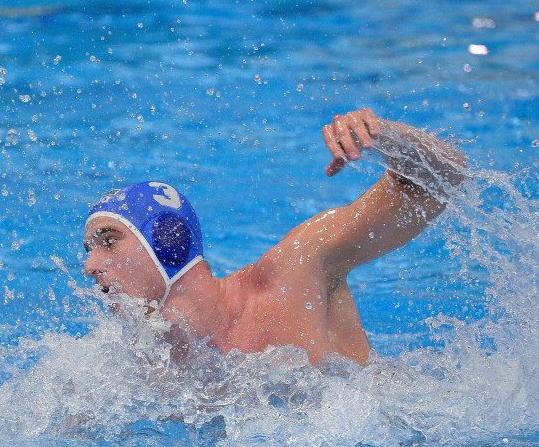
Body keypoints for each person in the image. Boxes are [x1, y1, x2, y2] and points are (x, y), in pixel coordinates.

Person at [82, 108, 466, 365]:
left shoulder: (294, 273)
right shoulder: (146, 366)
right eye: (88, 250)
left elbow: (443, 179)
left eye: (109, 240)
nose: (89, 266)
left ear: (168, 241)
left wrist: (387, 139)